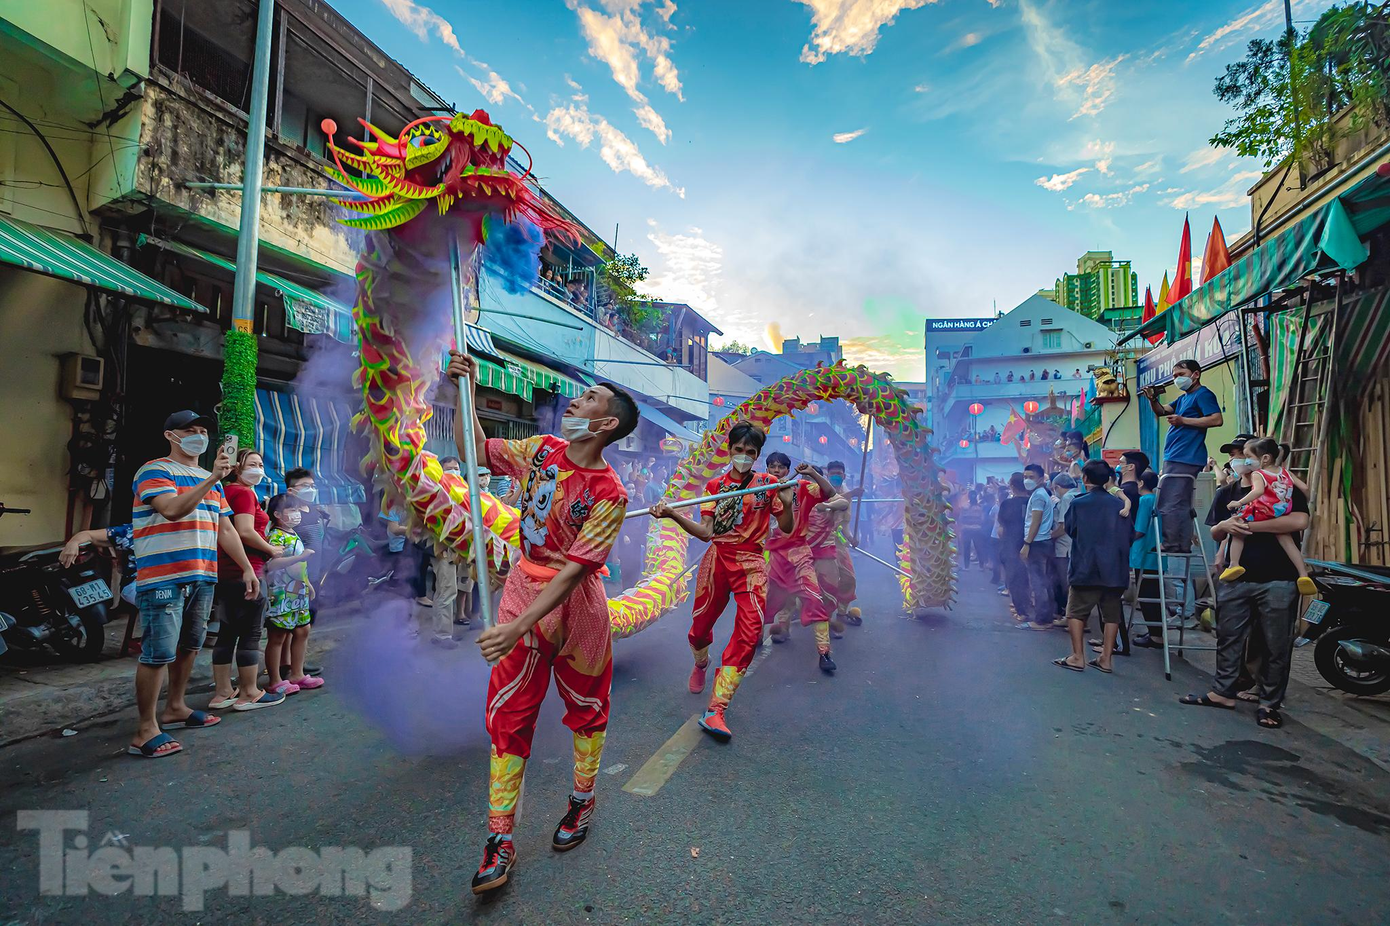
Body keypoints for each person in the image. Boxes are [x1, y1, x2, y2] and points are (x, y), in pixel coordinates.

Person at [449, 352, 636, 895]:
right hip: (522, 591)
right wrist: (468, 391)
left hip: (575, 607)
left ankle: (582, 801)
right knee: (509, 715)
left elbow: (576, 572)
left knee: (587, 708)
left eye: (590, 399)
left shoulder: (609, 494)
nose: (574, 400)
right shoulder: (542, 451)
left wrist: (516, 625)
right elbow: (474, 449)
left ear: (604, 425)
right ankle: (499, 839)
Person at [127, 411, 260, 758]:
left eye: (203, 431)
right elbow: (171, 510)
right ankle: (145, 729)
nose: (199, 436)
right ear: (171, 435)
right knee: (158, 652)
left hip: (202, 574)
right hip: (164, 575)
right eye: (191, 430)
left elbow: (225, 529)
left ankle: (175, 707)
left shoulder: (210, 479)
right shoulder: (155, 470)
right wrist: (213, 477)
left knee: (189, 645)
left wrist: (247, 567)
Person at [651, 422, 792, 741]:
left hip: (752, 563)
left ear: (757, 456)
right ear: (730, 450)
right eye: (738, 450)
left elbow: (786, 527)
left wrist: (786, 497)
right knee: (700, 628)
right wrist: (672, 514)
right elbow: (705, 533)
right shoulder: (715, 485)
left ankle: (717, 708)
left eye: (750, 452)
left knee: (750, 630)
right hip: (718, 560)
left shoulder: (768, 484)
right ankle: (701, 663)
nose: (743, 456)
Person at [1180, 485, 1311, 729]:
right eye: (1236, 455)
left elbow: (1299, 521)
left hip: (1279, 579)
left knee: (1276, 644)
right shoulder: (1227, 492)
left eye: (1244, 455)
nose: (1239, 460)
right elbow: (1217, 532)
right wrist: (1224, 527)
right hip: (1235, 578)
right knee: (1228, 638)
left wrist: (1249, 525)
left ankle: (1269, 703)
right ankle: (1222, 692)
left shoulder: (1285, 489)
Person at [208, 450, 285, 713]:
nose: (259, 468)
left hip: (225, 571)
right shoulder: (242, 493)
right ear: (237, 468)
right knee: (251, 632)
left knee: (227, 631)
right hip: (247, 569)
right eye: (252, 464)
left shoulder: (225, 491)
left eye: (261, 464)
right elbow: (244, 532)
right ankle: (250, 692)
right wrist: (271, 549)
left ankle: (223, 693)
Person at [1053, 460, 1131, 673]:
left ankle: (1077, 657)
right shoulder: (1119, 504)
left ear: (1085, 479)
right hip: (1115, 568)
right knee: (1111, 614)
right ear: (1107, 479)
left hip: (1086, 566)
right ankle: (1106, 658)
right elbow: (1128, 535)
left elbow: (1071, 529)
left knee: (1076, 612)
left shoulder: (1079, 503)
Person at [762, 454, 840, 668]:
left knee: (814, 599)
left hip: (799, 554)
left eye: (780, 467)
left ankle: (824, 653)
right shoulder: (758, 489)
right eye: (772, 466)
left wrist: (812, 473)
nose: (776, 470)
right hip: (775, 556)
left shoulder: (802, 486)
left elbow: (828, 493)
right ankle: (756, 638)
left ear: (787, 470)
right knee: (764, 599)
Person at [1140, 360, 1223, 551]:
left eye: (1181, 374)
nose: (1177, 379)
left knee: (1169, 502)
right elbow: (1162, 411)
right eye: (1175, 376)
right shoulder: (1184, 397)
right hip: (1176, 456)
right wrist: (1152, 399)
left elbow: (1217, 419)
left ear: (1195, 374)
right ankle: (1180, 542)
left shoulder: (1203, 394)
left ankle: (1173, 543)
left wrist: (1183, 420)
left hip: (1185, 456)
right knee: (1178, 502)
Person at [1219, 438, 1316, 595]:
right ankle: (1303, 574)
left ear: (1265, 458)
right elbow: (1305, 487)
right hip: (1282, 509)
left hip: (1264, 509)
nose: (1247, 461)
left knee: (1238, 528)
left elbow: (1257, 492)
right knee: (1286, 539)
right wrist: (1303, 498)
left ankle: (1234, 565)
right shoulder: (1285, 472)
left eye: (1249, 457)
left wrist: (1239, 502)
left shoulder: (1259, 474)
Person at [264, 494, 322, 695]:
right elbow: (271, 565)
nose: (297, 514)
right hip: (281, 594)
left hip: (298, 591)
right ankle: (275, 680)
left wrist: (307, 585)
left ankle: (297, 673)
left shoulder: (293, 533)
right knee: (278, 635)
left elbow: (300, 567)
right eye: (291, 510)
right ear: (277, 514)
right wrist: (300, 557)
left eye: (297, 510)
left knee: (302, 630)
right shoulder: (275, 536)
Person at [1017, 463, 1056, 630]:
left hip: (1037, 543)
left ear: (1041, 478)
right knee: (1044, 581)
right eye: (1025, 477)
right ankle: (1046, 616)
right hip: (1043, 541)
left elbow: (1036, 521)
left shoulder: (1039, 496)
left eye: (1031, 477)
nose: (1027, 480)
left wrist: (1027, 543)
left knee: (1038, 582)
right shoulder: (1040, 494)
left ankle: (1042, 620)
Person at [824, 460, 860, 625]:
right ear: (827, 475)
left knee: (848, 578)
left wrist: (851, 538)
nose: (836, 477)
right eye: (833, 474)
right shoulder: (822, 489)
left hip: (838, 543)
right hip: (821, 542)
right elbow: (828, 505)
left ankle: (842, 612)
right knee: (826, 581)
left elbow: (844, 525)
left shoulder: (846, 492)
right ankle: (824, 618)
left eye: (839, 474)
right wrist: (851, 494)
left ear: (844, 475)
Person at [996, 475, 1030, 616]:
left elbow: (1001, 527)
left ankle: (1021, 611)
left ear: (1012, 487)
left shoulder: (1007, 504)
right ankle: (1028, 607)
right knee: (1031, 578)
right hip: (1030, 544)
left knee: (1015, 579)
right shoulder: (1032, 502)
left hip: (1010, 545)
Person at [1048, 473, 1078, 624]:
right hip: (1075, 546)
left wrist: (1048, 536)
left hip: (1064, 547)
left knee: (1065, 582)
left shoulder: (1066, 498)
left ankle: (1070, 616)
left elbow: (1063, 526)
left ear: (1057, 487)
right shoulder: (1079, 494)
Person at [955, 493, 988, 570]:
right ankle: (981, 566)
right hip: (977, 529)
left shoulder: (964, 507)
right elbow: (983, 519)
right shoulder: (980, 507)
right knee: (979, 548)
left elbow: (960, 518)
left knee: (966, 548)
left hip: (966, 529)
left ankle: (966, 567)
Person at [1116, 450, 1150, 515]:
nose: (1118, 465)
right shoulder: (1137, 489)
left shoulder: (1125, 491)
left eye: (1121, 463)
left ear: (1131, 467)